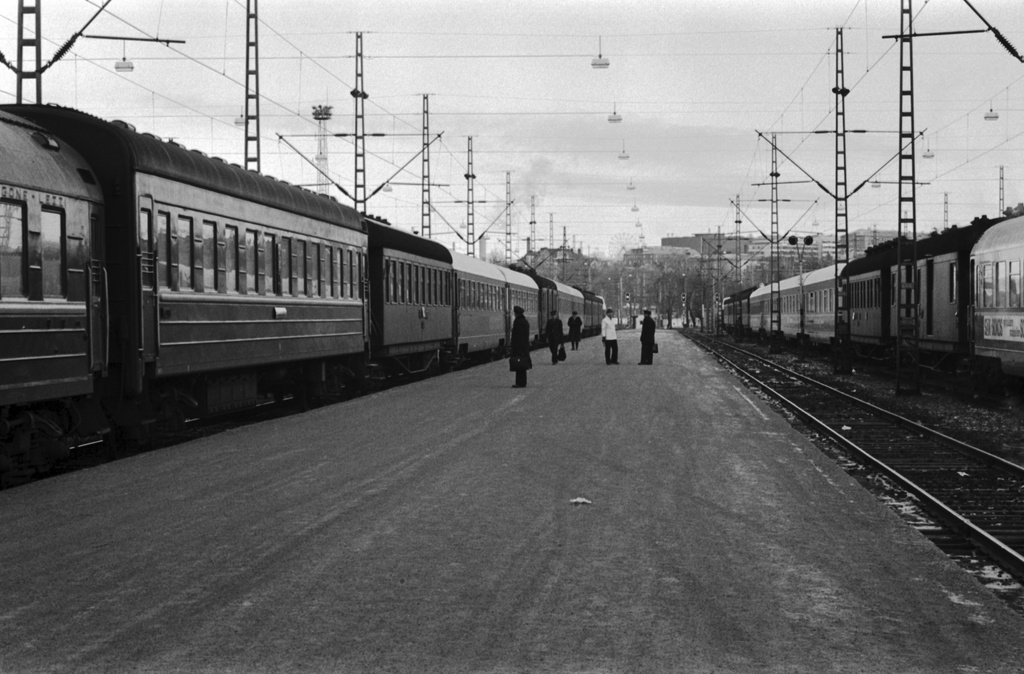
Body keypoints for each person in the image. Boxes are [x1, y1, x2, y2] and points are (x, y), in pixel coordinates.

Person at [510, 306, 531, 388]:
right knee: (523, 365)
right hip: (524, 347)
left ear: (517, 314)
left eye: (515, 313)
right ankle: (523, 382)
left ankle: (519, 383)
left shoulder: (518, 322)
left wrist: (516, 348)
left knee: (519, 365)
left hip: (519, 347)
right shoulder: (525, 322)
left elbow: (517, 336)